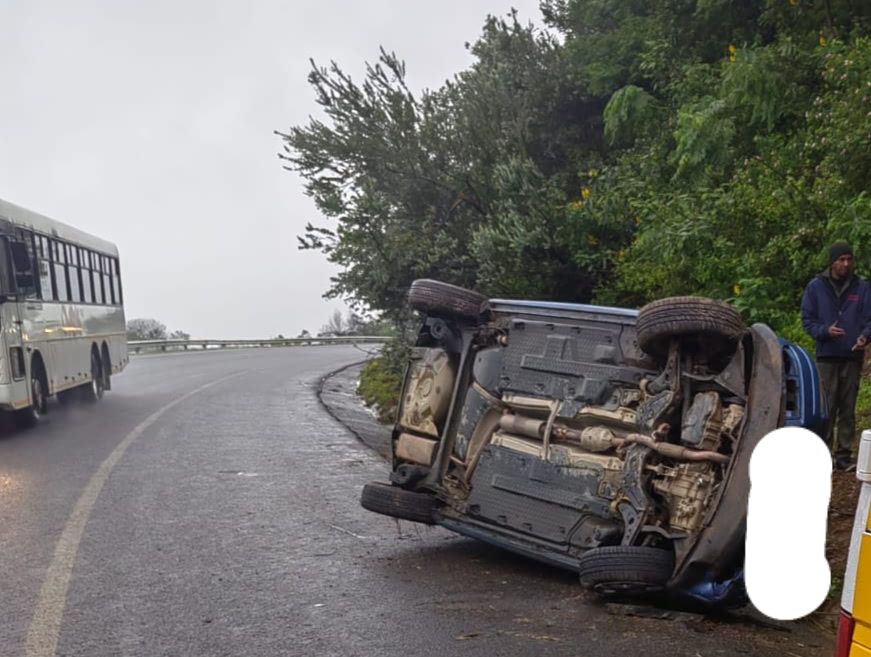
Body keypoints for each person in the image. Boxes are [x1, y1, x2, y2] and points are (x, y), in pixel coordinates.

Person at [801, 241, 871, 470]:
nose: (846, 263)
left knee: (848, 408)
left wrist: (864, 337)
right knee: (826, 408)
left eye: (849, 259)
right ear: (832, 262)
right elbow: (808, 320)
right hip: (827, 356)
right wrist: (824, 331)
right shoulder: (816, 287)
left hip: (852, 356)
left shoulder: (861, 287)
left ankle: (843, 455)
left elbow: (870, 319)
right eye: (841, 259)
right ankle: (823, 454)